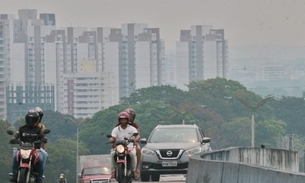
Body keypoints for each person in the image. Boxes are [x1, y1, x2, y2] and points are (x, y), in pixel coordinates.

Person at [9, 110, 47, 183]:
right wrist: (13, 139)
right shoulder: (22, 128)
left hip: (35, 149)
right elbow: (16, 135)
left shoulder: (39, 129)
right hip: (23, 148)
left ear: (36, 120)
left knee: (41, 159)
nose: (30, 121)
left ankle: (39, 178)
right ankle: (14, 175)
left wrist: (44, 139)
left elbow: (43, 135)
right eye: (29, 119)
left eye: (32, 119)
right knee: (15, 155)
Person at [109, 111, 140, 180]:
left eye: (124, 120)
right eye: (122, 120)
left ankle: (134, 171)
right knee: (112, 154)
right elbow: (113, 137)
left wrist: (136, 139)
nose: (123, 121)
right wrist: (111, 140)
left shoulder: (132, 128)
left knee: (132, 155)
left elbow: (137, 135)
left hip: (130, 146)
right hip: (119, 147)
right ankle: (113, 171)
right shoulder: (116, 129)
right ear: (119, 120)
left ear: (127, 120)